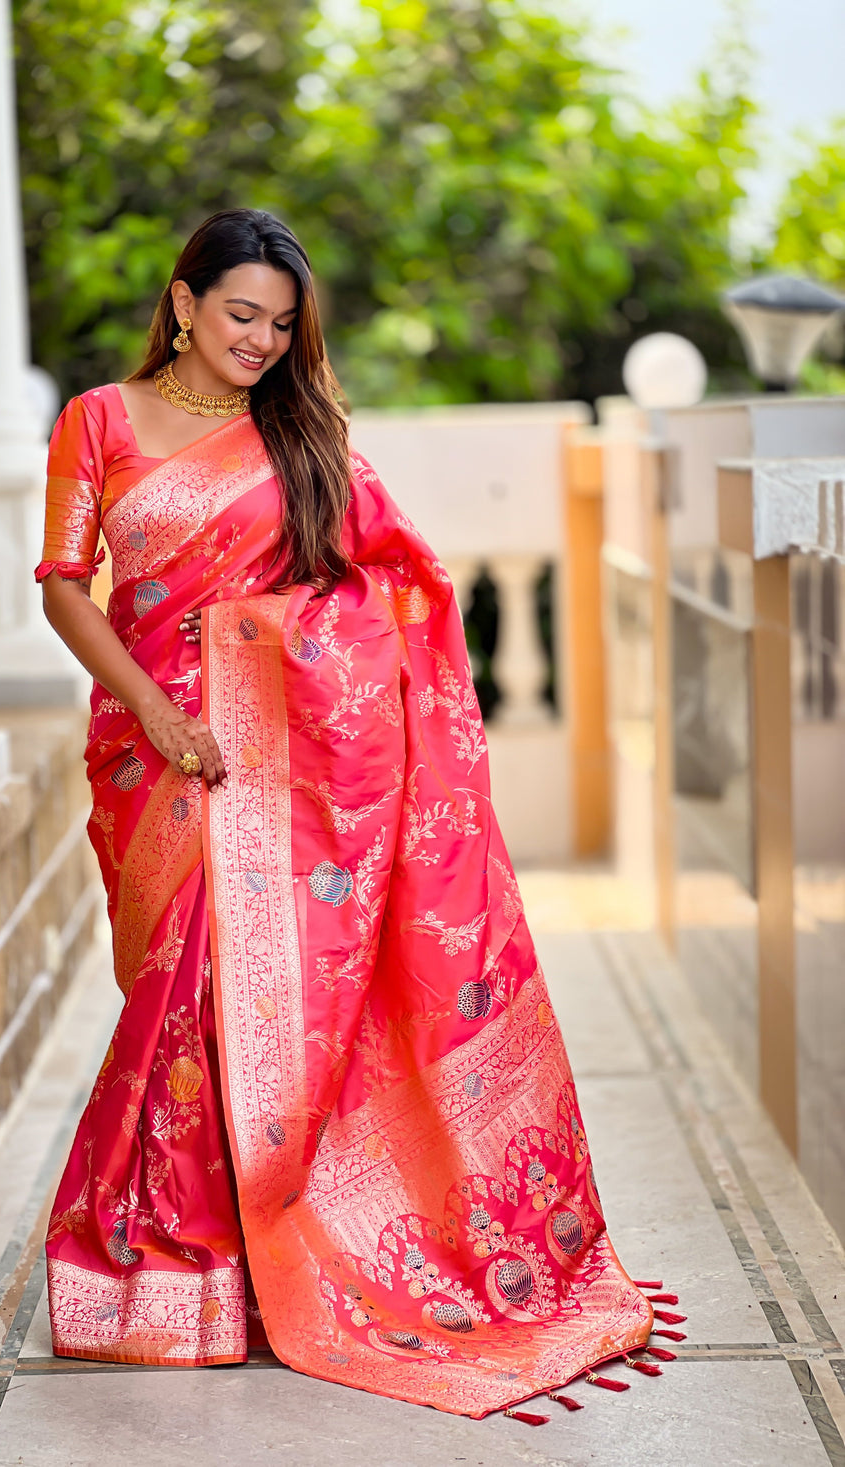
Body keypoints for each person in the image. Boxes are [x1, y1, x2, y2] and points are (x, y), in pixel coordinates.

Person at [36, 207, 668, 1422]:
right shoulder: (99, 423)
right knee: (178, 989)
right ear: (180, 303)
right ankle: (182, 1266)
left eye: (280, 325)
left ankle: (226, 1266)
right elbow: (68, 593)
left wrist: (282, 658)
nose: (261, 342)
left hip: (282, 762)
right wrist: (161, 716)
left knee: (228, 1002)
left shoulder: (300, 431)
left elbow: (391, 580)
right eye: (238, 315)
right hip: (155, 753)